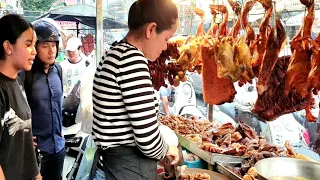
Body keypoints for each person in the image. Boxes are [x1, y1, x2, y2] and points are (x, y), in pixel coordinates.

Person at [91, 0, 180, 179]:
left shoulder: (114, 54)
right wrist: (166, 151)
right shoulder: (132, 60)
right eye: (166, 39)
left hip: (116, 162)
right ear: (151, 29)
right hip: (130, 165)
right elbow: (147, 137)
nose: (164, 47)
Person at [19, 19, 65, 180]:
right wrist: (21, 137)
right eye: (45, 46)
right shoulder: (24, 75)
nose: (51, 51)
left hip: (58, 148)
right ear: (35, 48)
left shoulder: (58, 70)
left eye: (53, 45)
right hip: (36, 153)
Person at [0, 14, 41, 180]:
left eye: (35, 45)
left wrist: (36, 175)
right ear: (8, 47)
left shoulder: (17, 81)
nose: (34, 51)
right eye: (28, 44)